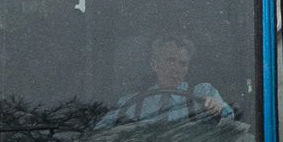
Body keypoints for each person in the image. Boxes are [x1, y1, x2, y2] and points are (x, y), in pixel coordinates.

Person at [95, 34, 233, 129]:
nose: (176, 69)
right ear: (154, 64)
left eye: (182, 64)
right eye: (170, 61)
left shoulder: (202, 93)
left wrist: (217, 108)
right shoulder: (131, 103)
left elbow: (229, 119)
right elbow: (100, 134)